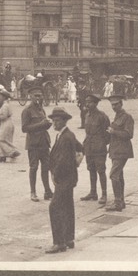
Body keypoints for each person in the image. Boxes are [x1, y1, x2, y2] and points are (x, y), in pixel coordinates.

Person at [44, 108, 83, 254]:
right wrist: (78, 160)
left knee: (54, 207)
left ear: (64, 121)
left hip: (64, 178)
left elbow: (63, 161)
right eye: (53, 120)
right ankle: (69, 239)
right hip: (69, 177)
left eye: (58, 120)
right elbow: (80, 147)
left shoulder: (66, 137)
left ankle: (59, 242)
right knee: (67, 207)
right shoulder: (67, 135)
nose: (55, 123)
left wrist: (54, 174)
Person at [21, 87, 53, 202]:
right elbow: (24, 128)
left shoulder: (41, 109)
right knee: (34, 167)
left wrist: (47, 125)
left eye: (40, 95)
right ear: (31, 96)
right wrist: (41, 124)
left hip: (44, 142)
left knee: (46, 167)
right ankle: (33, 192)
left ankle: (47, 191)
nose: (39, 98)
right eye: (36, 96)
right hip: (33, 143)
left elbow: (43, 124)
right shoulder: (27, 110)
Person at [104, 94, 134, 212]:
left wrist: (114, 131)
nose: (114, 107)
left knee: (113, 175)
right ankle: (121, 201)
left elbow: (129, 134)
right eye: (112, 105)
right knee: (119, 175)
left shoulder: (127, 117)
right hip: (115, 150)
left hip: (122, 150)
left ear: (121, 104)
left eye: (116, 104)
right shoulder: (117, 116)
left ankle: (117, 203)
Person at [79, 94, 110, 205]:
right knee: (91, 169)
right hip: (89, 147)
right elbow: (87, 132)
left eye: (90, 102)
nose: (87, 104)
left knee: (101, 170)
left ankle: (104, 194)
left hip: (99, 147)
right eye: (86, 102)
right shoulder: (87, 115)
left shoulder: (102, 116)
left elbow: (107, 134)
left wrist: (101, 143)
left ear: (95, 103)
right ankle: (93, 193)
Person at [0, 85, 21, 161]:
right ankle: (1, 156)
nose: (0, 97)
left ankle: (12, 151)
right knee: (6, 139)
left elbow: (3, 116)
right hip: (8, 123)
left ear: (4, 97)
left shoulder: (5, 106)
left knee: (1, 139)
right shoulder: (7, 104)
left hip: (6, 123)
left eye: (1, 96)